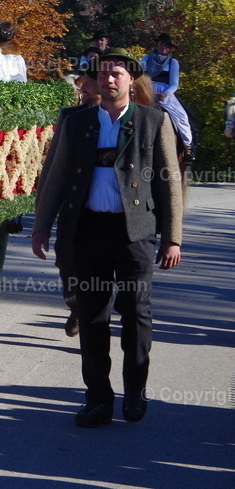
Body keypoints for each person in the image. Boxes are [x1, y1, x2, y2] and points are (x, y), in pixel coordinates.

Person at [32, 47, 183, 428]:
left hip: (135, 233)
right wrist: (41, 226)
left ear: (131, 79)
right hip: (86, 231)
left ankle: (135, 391)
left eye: (116, 73)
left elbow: (169, 183)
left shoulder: (154, 120)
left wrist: (172, 238)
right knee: (92, 315)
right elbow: (57, 177)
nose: (109, 79)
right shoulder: (77, 122)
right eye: (102, 74)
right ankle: (98, 399)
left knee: (136, 312)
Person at [36, 68, 101, 338]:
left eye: (88, 84)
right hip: (73, 205)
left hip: (109, 210)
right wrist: (42, 213)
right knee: (66, 261)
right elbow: (54, 166)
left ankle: (94, 320)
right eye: (82, 84)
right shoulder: (70, 116)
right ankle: (76, 306)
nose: (82, 89)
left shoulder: (135, 116)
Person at [141, 34, 194, 161]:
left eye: (167, 45)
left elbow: (174, 84)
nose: (164, 47)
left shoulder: (173, 62)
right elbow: (139, 76)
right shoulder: (146, 59)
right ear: (157, 45)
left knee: (182, 116)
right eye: (161, 44)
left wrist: (165, 94)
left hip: (165, 92)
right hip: (147, 90)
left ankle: (187, 147)